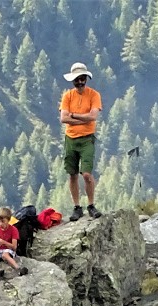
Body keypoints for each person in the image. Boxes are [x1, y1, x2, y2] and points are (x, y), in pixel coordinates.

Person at [59, 62, 103, 222]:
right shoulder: (67, 96)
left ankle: (91, 205)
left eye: (82, 78)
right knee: (72, 174)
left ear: (86, 78)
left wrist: (74, 116)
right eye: (77, 79)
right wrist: (82, 119)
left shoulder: (94, 95)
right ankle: (77, 207)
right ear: (73, 80)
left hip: (87, 139)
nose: (79, 82)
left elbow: (93, 117)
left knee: (86, 174)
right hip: (70, 139)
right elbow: (63, 118)